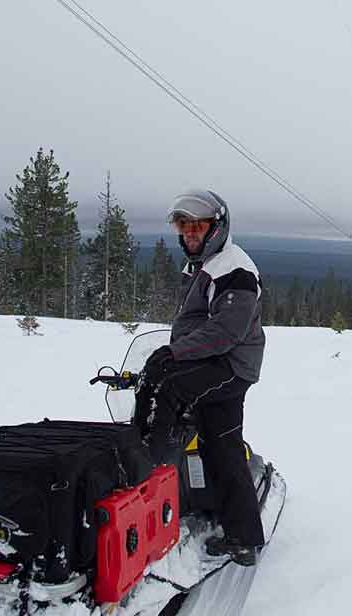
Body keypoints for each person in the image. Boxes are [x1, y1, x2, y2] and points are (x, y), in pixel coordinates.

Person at [136, 189, 265, 566]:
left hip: (230, 365)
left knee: (166, 388)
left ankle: (144, 470)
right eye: (183, 225)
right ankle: (238, 532)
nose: (189, 233)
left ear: (217, 228)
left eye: (198, 225)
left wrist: (174, 354)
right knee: (220, 447)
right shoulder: (204, 264)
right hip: (218, 363)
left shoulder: (235, 270)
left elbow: (226, 331)